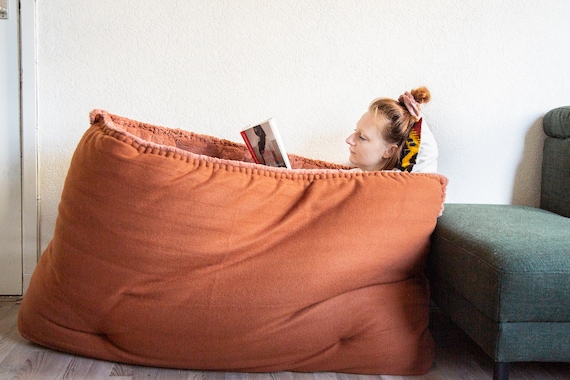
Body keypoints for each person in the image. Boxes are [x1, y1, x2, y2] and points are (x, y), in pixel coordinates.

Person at [346, 87, 438, 172]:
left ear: (389, 151)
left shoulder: (389, 188)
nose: (349, 140)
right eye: (355, 130)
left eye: (362, 137)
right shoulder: (349, 177)